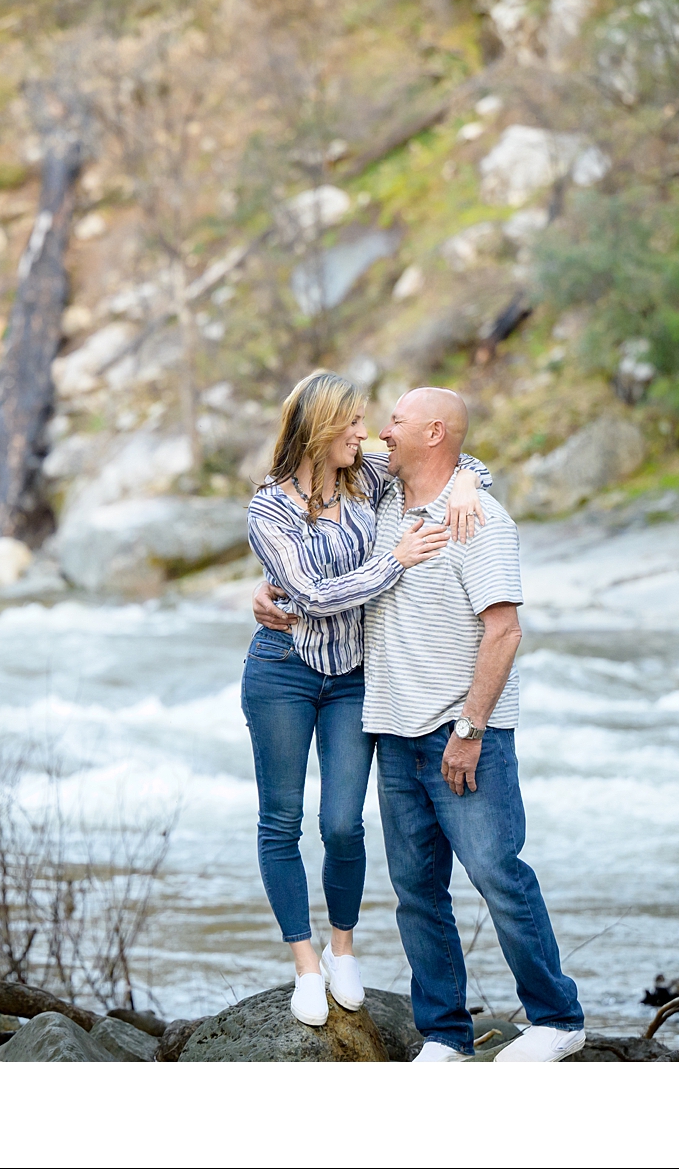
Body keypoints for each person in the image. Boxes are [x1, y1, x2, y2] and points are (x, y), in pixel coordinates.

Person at [254, 386, 585, 1062]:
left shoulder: (479, 519)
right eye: (369, 423)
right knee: (417, 892)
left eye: (393, 422)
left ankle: (557, 1018)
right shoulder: (380, 499)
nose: (379, 432)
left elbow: (505, 631)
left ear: (431, 433)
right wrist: (264, 588)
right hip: (391, 727)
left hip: (459, 733)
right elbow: (318, 573)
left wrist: (471, 730)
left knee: (497, 872)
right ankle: (444, 1035)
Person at [241, 370, 495, 1029]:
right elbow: (313, 596)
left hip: (353, 675)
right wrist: (398, 560)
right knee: (281, 821)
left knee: (342, 825)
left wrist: (468, 481)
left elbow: (452, 457)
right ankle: (304, 964)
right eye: (353, 423)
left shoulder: (369, 478)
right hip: (283, 671)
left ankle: (342, 947)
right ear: (321, 428)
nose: (367, 432)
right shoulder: (268, 507)